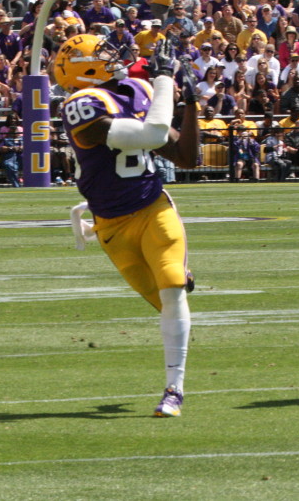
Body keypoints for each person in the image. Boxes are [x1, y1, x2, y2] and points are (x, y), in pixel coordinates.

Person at [54, 33, 199, 417]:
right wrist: (166, 78)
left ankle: (174, 390)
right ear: (83, 69)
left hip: (153, 209)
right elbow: (151, 134)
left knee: (172, 292)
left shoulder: (133, 89)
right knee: (164, 302)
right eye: (101, 54)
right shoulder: (81, 106)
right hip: (111, 227)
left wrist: (191, 104)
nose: (114, 55)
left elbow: (185, 156)